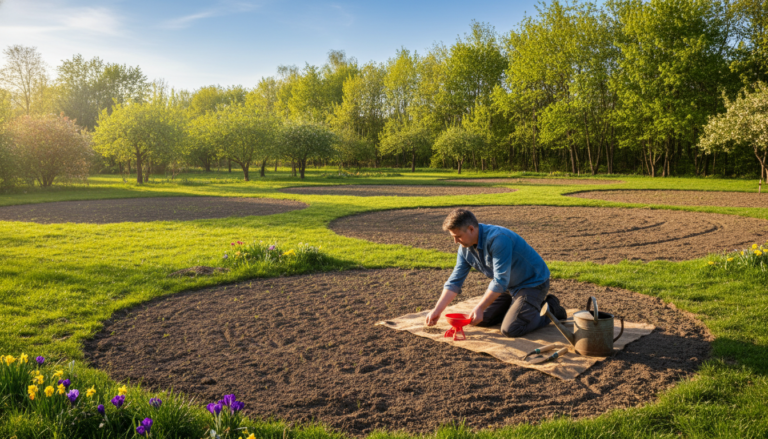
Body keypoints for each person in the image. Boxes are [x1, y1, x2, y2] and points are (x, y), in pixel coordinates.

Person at [425, 208, 567, 337]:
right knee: (478, 320)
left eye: (458, 236)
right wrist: (437, 310)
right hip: (508, 286)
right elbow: (455, 281)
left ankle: (552, 309)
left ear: (471, 229)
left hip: (532, 283)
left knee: (511, 329)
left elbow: (500, 281)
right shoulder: (464, 249)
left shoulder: (498, 239)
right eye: (453, 237)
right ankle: (517, 308)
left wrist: (480, 307)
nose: (455, 241)